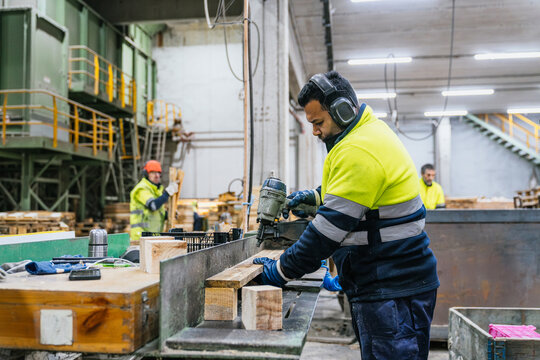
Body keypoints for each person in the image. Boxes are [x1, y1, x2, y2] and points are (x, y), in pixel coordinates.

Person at [254, 71, 439, 360]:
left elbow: (324, 236)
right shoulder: (367, 133)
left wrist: (277, 272)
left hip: (391, 288)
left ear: (341, 110)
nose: (315, 131)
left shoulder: (358, 150)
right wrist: (316, 198)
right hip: (388, 280)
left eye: (318, 122)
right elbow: (362, 198)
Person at [130, 160, 179, 241]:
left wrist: (169, 215)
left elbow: (155, 214)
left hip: (153, 237)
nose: (156, 175)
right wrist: (167, 193)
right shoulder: (141, 189)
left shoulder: (156, 191)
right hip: (141, 238)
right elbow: (153, 206)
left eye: (158, 173)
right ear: (146, 174)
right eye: (153, 172)